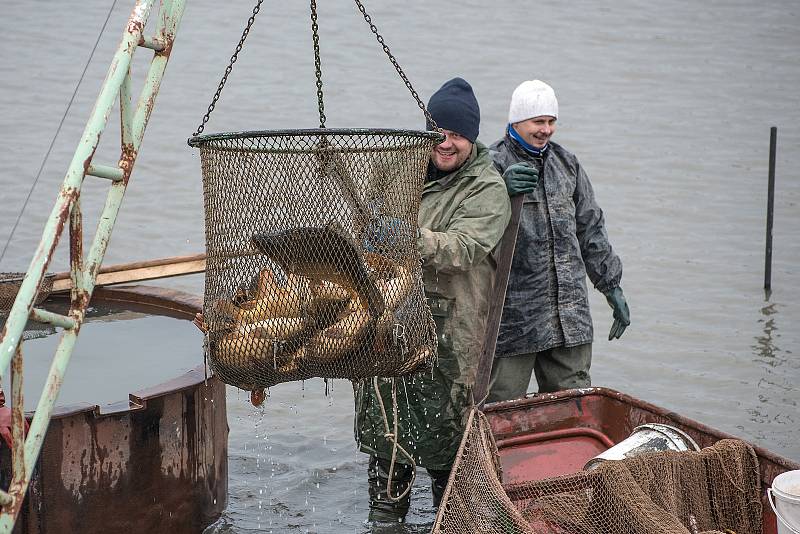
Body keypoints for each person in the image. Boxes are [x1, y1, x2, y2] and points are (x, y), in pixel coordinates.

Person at [353, 77, 511, 523]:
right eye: (438, 131)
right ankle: (385, 521)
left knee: (449, 459)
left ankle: (450, 521)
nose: (446, 143)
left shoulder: (486, 187)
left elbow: (462, 249)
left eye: (458, 135)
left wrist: (405, 238)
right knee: (387, 445)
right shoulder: (399, 168)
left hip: (451, 343)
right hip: (389, 328)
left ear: (472, 138)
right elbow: (365, 221)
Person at [486, 79, 630, 403]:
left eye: (551, 121)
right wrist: (498, 191)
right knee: (500, 409)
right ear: (516, 121)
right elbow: (469, 223)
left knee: (572, 409)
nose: (546, 130)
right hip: (512, 322)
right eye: (539, 121)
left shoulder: (568, 164)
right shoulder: (491, 164)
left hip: (570, 319)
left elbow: (591, 229)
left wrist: (612, 286)